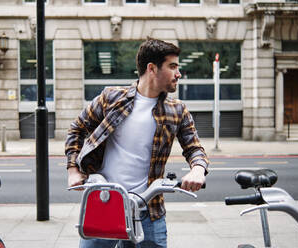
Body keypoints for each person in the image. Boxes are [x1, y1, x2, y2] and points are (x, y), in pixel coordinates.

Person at [65, 38, 209, 248]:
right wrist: (73, 171)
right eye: (172, 66)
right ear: (152, 68)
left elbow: (194, 147)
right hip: (105, 203)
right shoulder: (112, 97)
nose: (179, 73)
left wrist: (198, 170)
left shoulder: (177, 110)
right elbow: (77, 128)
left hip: (149, 209)